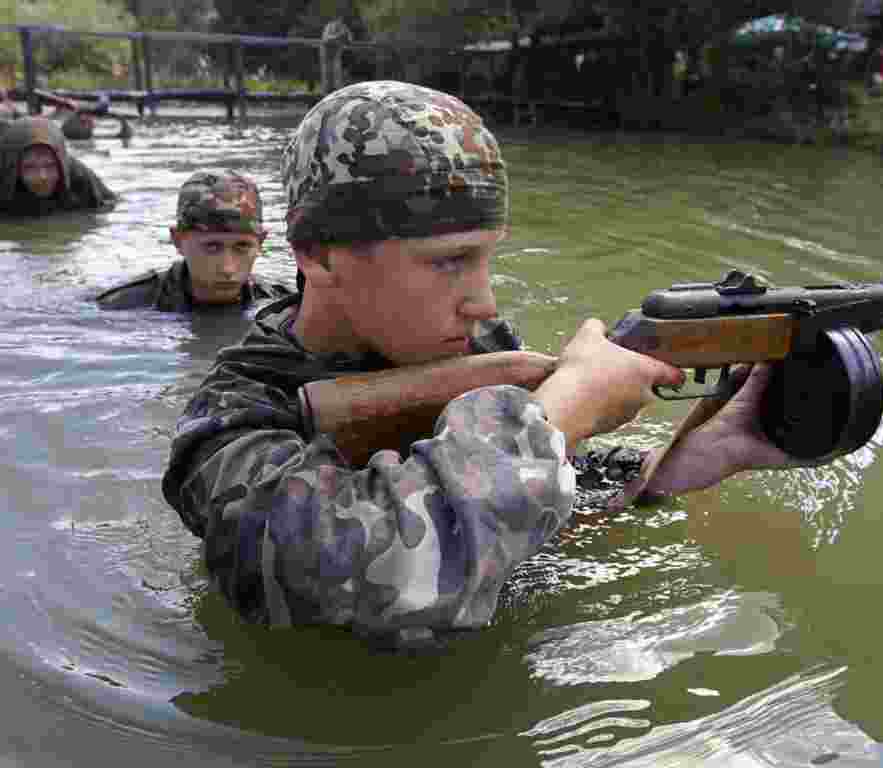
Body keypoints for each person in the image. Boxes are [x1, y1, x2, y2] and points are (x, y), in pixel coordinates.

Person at [161, 81, 797, 648]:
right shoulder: (231, 420)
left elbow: (534, 533)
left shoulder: (479, 344)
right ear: (318, 256)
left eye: (486, 258)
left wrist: (667, 474)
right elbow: (351, 584)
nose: (485, 301)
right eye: (448, 261)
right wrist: (557, 414)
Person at [95, 170, 291, 312]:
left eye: (242, 247)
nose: (228, 269)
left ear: (261, 243)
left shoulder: (282, 304)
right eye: (212, 247)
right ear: (178, 241)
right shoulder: (121, 305)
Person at [0, 116, 116, 216]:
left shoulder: (79, 178)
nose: (42, 177)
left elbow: (108, 206)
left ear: (61, 164)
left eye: (50, 166)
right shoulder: (4, 176)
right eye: (29, 167)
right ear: (13, 167)